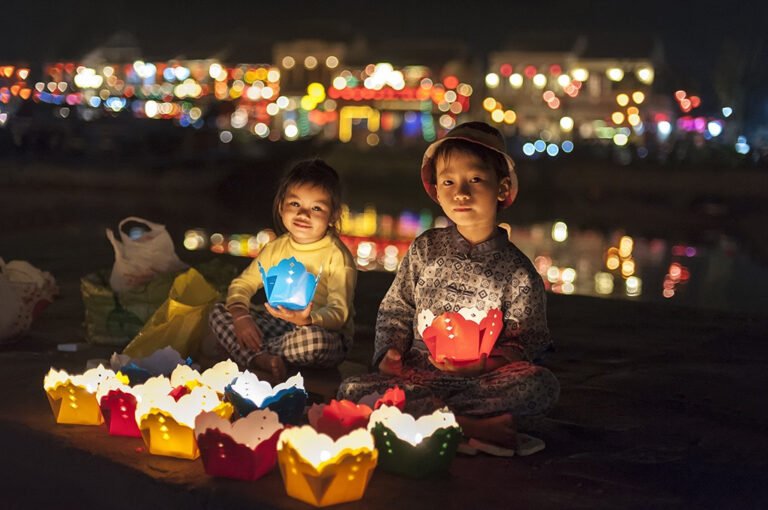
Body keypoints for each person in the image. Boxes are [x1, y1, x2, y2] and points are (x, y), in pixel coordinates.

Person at [337, 122, 559, 454]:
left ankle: (427, 419)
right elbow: (397, 308)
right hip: (418, 373)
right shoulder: (424, 249)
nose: (461, 193)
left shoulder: (518, 272)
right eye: (449, 182)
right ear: (436, 190)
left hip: (479, 381)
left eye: (476, 180)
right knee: (351, 388)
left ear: (502, 188)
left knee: (540, 385)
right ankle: (473, 427)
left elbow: (524, 340)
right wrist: (390, 354)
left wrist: (483, 365)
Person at [209, 159, 356, 382]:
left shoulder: (337, 255)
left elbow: (339, 313)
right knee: (219, 312)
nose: (303, 214)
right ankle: (260, 354)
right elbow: (243, 284)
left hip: (320, 332)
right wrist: (240, 316)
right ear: (281, 206)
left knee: (314, 342)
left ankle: (252, 353)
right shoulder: (276, 248)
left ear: (333, 215)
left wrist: (307, 319)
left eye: (316, 208)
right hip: (278, 325)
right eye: (295, 204)